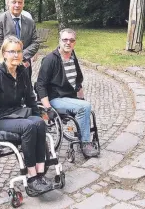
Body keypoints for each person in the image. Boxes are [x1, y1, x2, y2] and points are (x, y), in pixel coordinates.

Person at [0, 36, 52, 196]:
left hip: (16, 114)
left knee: (38, 123)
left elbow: (31, 98)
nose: (16, 55)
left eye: (19, 51)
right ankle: (31, 178)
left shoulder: (22, 71)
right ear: (3, 53)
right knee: (29, 126)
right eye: (12, 51)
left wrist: (38, 116)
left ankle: (40, 173)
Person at [36, 28, 99, 158]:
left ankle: (83, 133)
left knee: (84, 107)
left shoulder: (72, 56)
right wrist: (47, 108)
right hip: (54, 98)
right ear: (59, 41)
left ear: (74, 43)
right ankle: (85, 143)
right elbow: (40, 85)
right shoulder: (50, 60)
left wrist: (81, 100)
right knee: (85, 107)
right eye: (65, 39)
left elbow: (78, 81)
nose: (68, 43)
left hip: (68, 97)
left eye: (71, 40)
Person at [0, 0, 39, 79]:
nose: (17, 5)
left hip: (24, 65)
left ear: (23, 3)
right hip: (4, 66)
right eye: (14, 2)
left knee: (24, 90)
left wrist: (21, 57)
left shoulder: (30, 22)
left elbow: (35, 43)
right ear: (8, 3)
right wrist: (16, 59)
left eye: (20, 2)